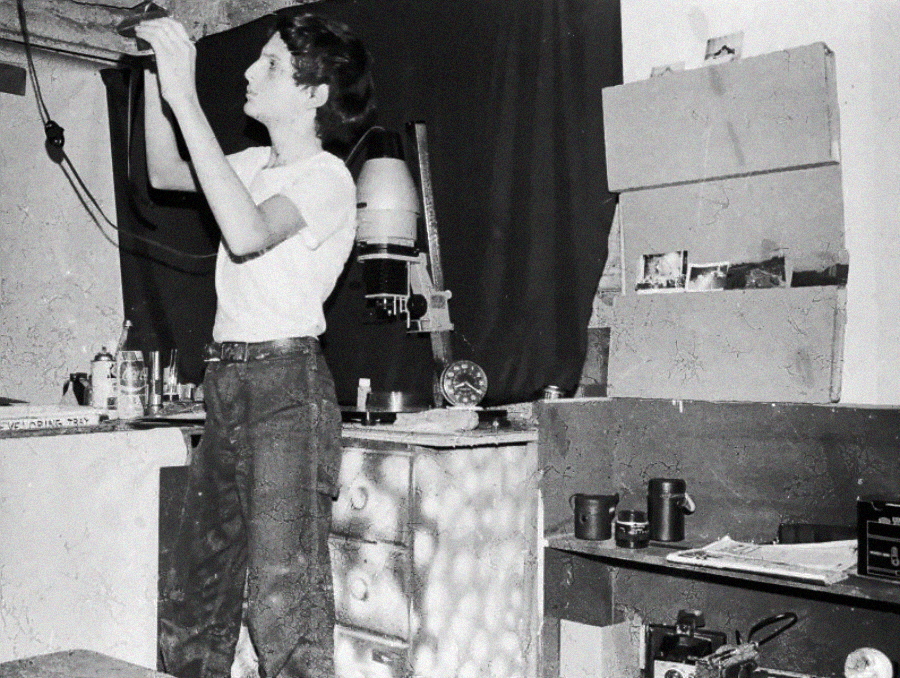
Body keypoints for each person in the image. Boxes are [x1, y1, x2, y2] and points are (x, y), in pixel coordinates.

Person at [135, 12, 374, 678]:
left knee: (282, 603)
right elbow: (163, 169)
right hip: (229, 383)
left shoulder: (328, 179)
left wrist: (186, 95)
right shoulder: (246, 162)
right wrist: (159, 77)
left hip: (284, 388)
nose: (246, 72)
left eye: (268, 64)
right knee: (196, 597)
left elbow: (243, 233)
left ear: (314, 93)